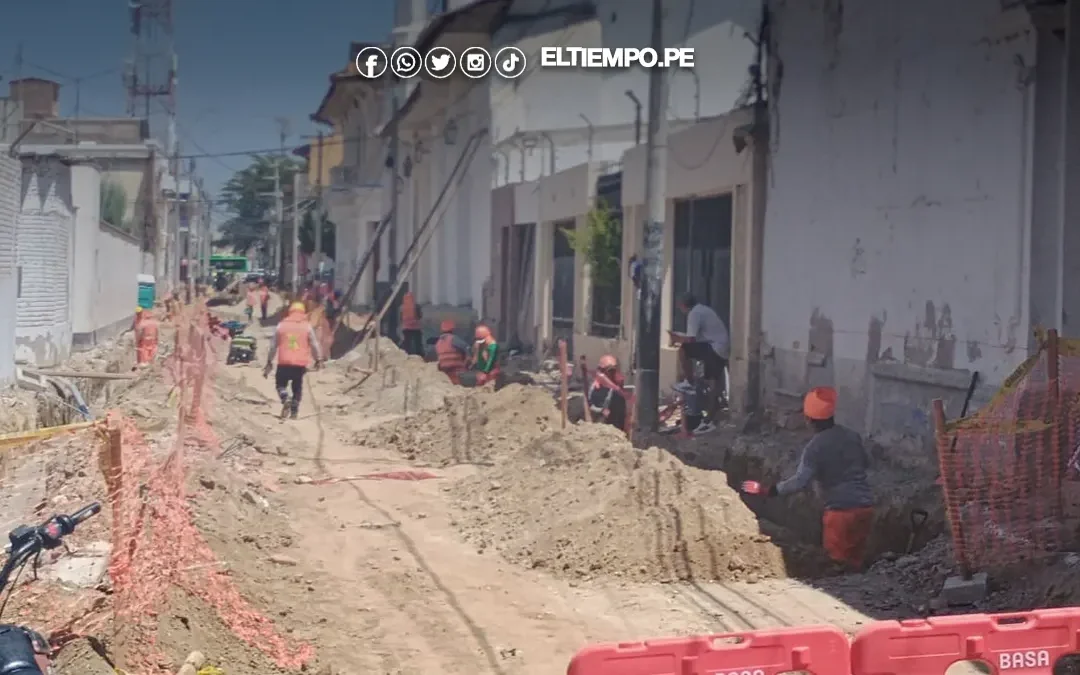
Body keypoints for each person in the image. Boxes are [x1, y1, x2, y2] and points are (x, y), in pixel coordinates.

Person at [740, 386, 875, 571]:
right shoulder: (852, 436)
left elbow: (800, 481)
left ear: (809, 420)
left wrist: (768, 491)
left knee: (837, 565)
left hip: (840, 514)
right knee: (856, 565)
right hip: (865, 509)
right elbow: (866, 463)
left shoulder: (815, 447)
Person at [668, 292, 729, 434]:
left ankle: (689, 382)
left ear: (683, 305)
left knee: (684, 350)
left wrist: (677, 338)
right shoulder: (703, 310)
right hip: (718, 347)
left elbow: (691, 339)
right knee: (712, 381)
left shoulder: (694, 313)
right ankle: (708, 418)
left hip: (715, 348)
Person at [263, 301, 323, 419]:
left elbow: (273, 346)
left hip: (284, 362)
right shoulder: (307, 326)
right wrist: (318, 359)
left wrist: (269, 361)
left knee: (280, 384)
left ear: (290, 312)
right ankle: (294, 412)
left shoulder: (281, 325)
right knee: (297, 387)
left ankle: (285, 397)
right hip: (300, 364)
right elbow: (314, 344)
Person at [587, 354, 628, 429]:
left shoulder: (616, 386)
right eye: (610, 371)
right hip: (599, 424)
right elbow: (589, 404)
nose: (612, 374)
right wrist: (601, 410)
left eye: (614, 370)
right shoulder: (595, 387)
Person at [434, 319, 469, 384]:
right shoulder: (453, 338)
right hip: (457, 368)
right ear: (452, 329)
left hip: (445, 370)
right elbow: (466, 347)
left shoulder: (438, 342)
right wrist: (468, 359)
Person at [400, 291, 424, 356]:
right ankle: (419, 354)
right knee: (418, 342)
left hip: (406, 328)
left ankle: (407, 354)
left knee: (407, 342)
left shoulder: (402, 307)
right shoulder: (417, 306)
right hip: (416, 327)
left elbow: (401, 318)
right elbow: (420, 316)